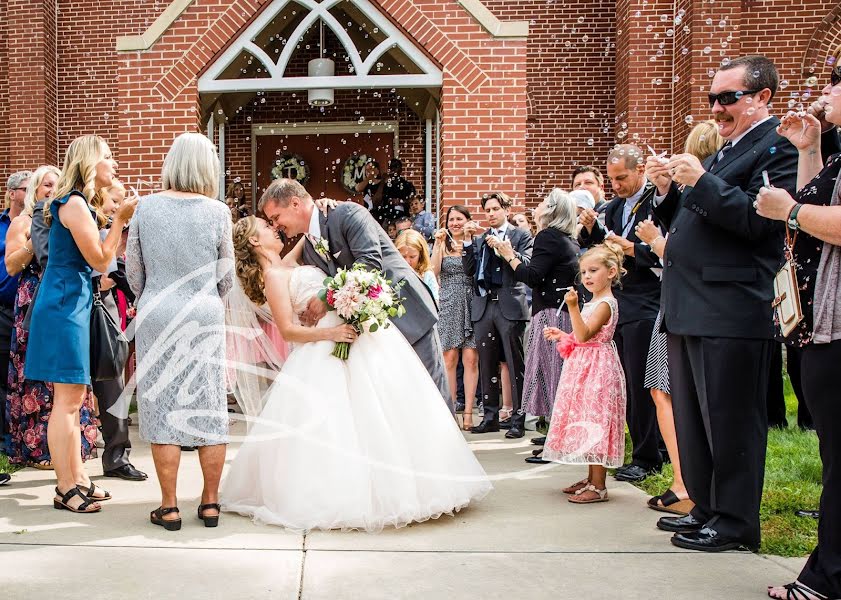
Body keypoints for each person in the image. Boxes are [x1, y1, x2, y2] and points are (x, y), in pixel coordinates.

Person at [219, 216, 491, 532]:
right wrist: (332, 333)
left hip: (351, 336)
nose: (275, 228)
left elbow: (310, 235)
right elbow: (289, 330)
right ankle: (344, 495)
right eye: (266, 227)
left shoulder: (287, 261)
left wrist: (323, 213)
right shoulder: (274, 275)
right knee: (338, 423)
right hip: (324, 348)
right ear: (254, 241)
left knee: (378, 411)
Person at [645, 55, 798, 552]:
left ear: (762, 98)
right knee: (696, 418)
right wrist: (668, 187)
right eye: (712, 97)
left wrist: (700, 181)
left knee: (730, 422)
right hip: (692, 305)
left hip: (731, 306)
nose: (716, 107)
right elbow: (693, 218)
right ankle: (707, 507)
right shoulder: (728, 149)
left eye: (728, 98)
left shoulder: (778, 148)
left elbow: (760, 223)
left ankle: (734, 522)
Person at [756, 61, 841, 599]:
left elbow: (808, 216)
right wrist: (809, 149)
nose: (827, 92)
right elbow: (815, 205)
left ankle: (828, 577)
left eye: (836, 83)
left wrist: (788, 212)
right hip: (821, 326)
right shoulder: (836, 152)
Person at [259, 178, 451, 408]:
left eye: (276, 217)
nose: (275, 225)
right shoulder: (309, 247)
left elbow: (370, 263)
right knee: (400, 404)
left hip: (406, 313)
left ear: (295, 203)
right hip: (374, 334)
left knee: (431, 395)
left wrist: (325, 298)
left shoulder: (347, 213)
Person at [126, 132, 233, 531]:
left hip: (157, 311)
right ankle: (209, 504)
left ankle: (168, 507)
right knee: (209, 406)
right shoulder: (218, 211)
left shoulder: (146, 208)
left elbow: (133, 270)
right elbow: (227, 279)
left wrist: (154, 295)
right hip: (203, 312)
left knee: (162, 405)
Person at [25, 135, 137, 514]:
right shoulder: (72, 203)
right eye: (108, 157)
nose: (115, 163)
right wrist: (121, 218)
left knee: (74, 399)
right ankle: (64, 487)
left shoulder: (79, 205)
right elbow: (101, 259)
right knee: (68, 402)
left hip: (71, 301)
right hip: (62, 305)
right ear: (90, 162)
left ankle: (80, 479)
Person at [633, 121, 722, 516]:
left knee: (671, 394)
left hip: (688, 304)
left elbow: (687, 251)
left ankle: (688, 483)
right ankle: (684, 480)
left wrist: (653, 240)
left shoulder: (710, 193)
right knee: (664, 392)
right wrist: (666, 190)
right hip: (674, 303)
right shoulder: (690, 195)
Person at [579, 145, 664, 483]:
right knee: (626, 382)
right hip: (618, 304)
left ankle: (649, 455)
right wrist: (592, 232)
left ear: (640, 169)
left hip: (646, 301)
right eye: (612, 179)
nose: (616, 185)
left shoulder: (657, 201)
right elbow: (607, 252)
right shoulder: (612, 209)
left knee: (643, 384)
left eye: (622, 178)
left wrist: (633, 249)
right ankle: (647, 446)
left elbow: (660, 251)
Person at [5, 166, 98, 469]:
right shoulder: (24, 221)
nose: (52, 189)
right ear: (35, 189)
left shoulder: (65, 214)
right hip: (35, 297)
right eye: (46, 185)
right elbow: (11, 266)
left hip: (64, 297)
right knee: (36, 378)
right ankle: (36, 449)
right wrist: (33, 239)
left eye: (57, 184)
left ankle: (70, 452)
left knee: (66, 385)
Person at [542, 242, 627, 504]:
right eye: (584, 272)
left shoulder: (605, 304)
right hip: (585, 364)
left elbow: (586, 334)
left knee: (596, 420)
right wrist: (563, 336)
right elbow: (581, 336)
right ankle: (591, 477)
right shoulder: (595, 302)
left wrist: (573, 308)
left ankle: (599, 485)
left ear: (611, 272)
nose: (587, 277)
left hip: (598, 369)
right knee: (586, 416)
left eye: (593, 270)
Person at [496, 189, 579, 453]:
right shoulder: (567, 239)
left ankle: (556, 441)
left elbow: (533, 276)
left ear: (552, 210)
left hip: (551, 314)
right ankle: (555, 432)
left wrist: (509, 255)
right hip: (563, 312)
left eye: (543, 202)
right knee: (555, 372)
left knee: (552, 374)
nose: (538, 204)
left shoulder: (547, 236)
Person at [462, 192, 533, 438]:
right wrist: (468, 241)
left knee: (514, 364)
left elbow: (526, 265)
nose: (490, 214)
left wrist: (505, 251)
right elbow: (469, 270)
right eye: (487, 210)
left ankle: (517, 419)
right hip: (484, 305)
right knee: (486, 362)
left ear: (506, 209)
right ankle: (490, 417)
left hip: (509, 304)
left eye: (495, 209)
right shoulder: (481, 239)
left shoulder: (520, 235)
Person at [91, 181, 146, 482]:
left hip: (108, 306)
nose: (119, 206)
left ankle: (116, 457)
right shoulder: (81, 217)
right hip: (78, 305)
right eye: (116, 199)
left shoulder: (113, 226)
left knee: (113, 384)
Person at [432, 206, 479, 428]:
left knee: (470, 359)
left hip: (472, 302)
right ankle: (450, 411)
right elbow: (433, 271)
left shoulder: (475, 243)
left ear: (468, 220)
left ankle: (469, 412)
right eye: (451, 219)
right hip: (449, 303)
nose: (455, 223)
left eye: (459, 218)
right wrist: (437, 243)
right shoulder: (443, 243)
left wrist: (470, 238)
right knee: (449, 358)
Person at [1, 170, 30, 455]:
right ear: (12, 193)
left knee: (23, 376)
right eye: (26, 187)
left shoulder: (40, 224)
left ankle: (20, 441)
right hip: (2, 309)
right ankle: (4, 443)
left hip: (27, 311)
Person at [395, 229, 439, 303]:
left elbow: (435, 304)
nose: (407, 261)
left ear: (421, 255)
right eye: (403, 256)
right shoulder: (393, 274)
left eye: (412, 257)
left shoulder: (427, 275)